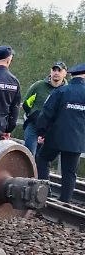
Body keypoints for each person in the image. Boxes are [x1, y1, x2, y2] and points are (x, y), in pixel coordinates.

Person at [35, 62, 85, 203]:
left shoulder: (61, 91)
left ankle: (44, 193)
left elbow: (46, 113)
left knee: (43, 159)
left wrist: (42, 132)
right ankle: (65, 201)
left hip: (56, 137)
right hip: (77, 140)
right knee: (70, 172)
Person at [21, 62, 67, 156]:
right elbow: (26, 103)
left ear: (65, 73)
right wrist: (34, 115)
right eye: (54, 70)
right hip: (34, 126)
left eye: (59, 70)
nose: (56, 73)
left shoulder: (67, 90)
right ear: (50, 71)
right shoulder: (39, 86)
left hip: (52, 130)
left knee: (43, 159)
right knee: (29, 155)